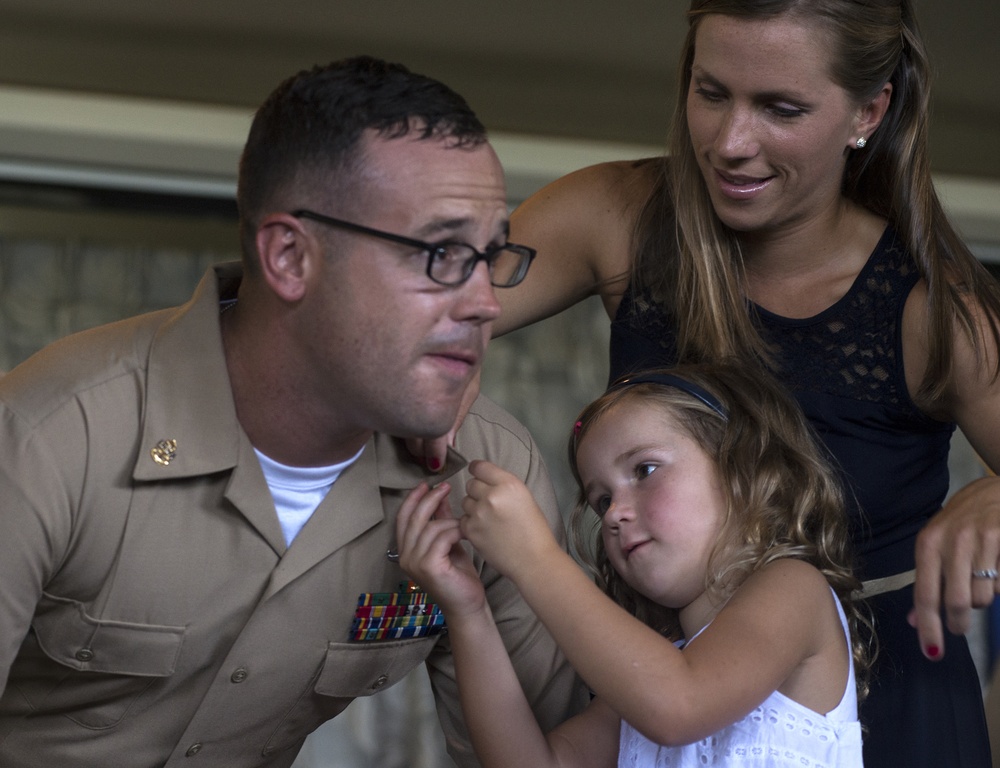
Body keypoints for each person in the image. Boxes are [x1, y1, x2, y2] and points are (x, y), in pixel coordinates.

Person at [409, 1, 1000, 764]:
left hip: (891, 712)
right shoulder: (615, 215)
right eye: (711, 91)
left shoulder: (936, 309)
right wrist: (436, 375)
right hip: (656, 664)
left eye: (781, 108)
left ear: (869, 110)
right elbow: (419, 313)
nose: (730, 142)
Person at [0, 56, 587, 767]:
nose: (488, 302)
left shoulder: (490, 479)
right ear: (288, 257)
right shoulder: (49, 436)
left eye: (490, 257)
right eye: (440, 253)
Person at [399, 363, 868, 767]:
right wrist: (469, 613)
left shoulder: (793, 588)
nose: (615, 513)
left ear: (742, 469)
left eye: (644, 470)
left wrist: (534, 559)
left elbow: (679, 705)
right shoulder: (650, 677)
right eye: (601, 500)